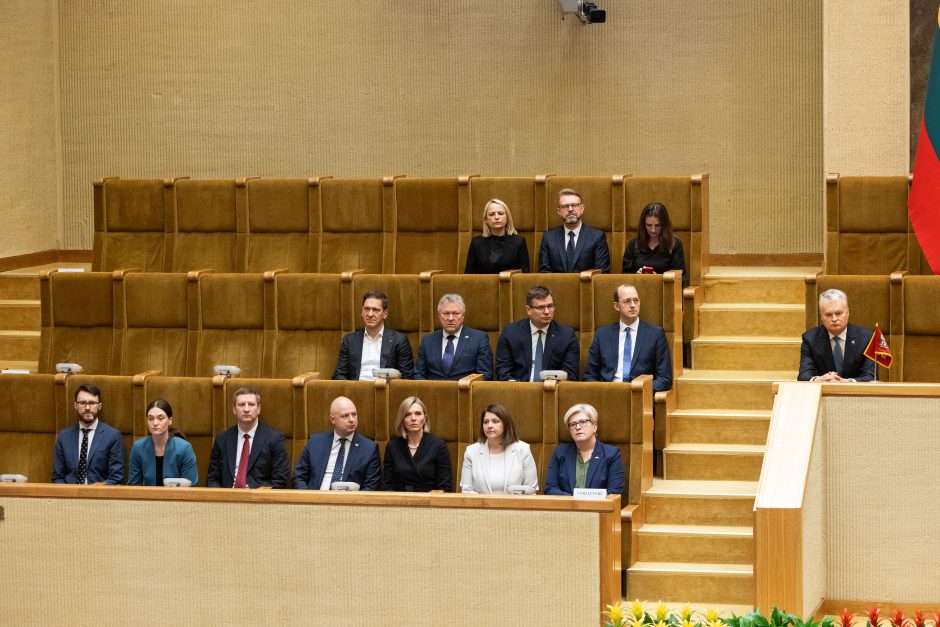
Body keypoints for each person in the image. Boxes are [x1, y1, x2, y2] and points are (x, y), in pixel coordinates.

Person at [584, 284, 672, 391]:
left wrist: (639, 389)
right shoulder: (602, 334)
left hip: (639, 394)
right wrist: (602, 392)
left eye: (636, 300)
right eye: (627, 301)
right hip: (608, 394)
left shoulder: (655, 334)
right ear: (617, 306)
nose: (633, 305)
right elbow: (589, 376)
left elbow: (665, 378)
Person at [206, 386, 291, 488]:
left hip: (259, 499)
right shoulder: (222, 439)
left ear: (259, 409)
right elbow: (212, 478)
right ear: (234, 409)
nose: (246, 409)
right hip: (227, 498)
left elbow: (280, 480)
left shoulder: (274, 438)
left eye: (251, 404)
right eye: (241, 405)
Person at [293, 396, 381, 490]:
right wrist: (308, 499)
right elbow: (299, 476)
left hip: (349, 502)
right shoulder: (315, 441)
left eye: (354, 414)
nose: (352, 419)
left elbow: (371, 486)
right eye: (345, 416)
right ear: (332, 419)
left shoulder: (369, 448)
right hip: (315, 499)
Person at [495, 285, 579, 381]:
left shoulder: (567, 336)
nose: (547, 312)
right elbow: (503, 371)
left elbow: (570, 375)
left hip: (552, 391)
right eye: (541, 307)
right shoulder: (510, 333)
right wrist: (518, 389)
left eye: (550, 306)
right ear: (528, 310)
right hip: (519, 390)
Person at [51, 383, 125, 485]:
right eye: (82, 403)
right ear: (75, 406)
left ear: (99, 406)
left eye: (92, 403)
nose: (87, 407)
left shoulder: (112, 436)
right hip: (69, 496)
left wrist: (94, 491)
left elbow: (116, 478)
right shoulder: (64, 437)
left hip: (98, 496)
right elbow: (57, 477)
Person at [544, 404, 624, 496]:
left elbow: (615, 493)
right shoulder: (559, 453)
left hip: (599, 509)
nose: (578, 427)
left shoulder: (611, 454)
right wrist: (574, 502)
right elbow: (550, 488)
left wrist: (585, 502)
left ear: (594, 426)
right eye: (573, 424)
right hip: (567, 509)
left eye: (583, 422)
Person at [333, 290, 414, 380]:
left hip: (385, 390)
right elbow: (339, 374)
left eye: (375, 310)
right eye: (366, 309)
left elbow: (407, 377)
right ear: (362, 312)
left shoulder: (399, 340)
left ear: (385, 314)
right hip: (355, 390)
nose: (370, 314)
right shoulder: (349, 340)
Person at [798, 289, 876, 382]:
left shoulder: (866, 338)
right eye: (828, 314)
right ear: (821, 316)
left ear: (847, 313)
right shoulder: (810, 339)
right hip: (824, 392)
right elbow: (804, 375)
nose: (834, 319)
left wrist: (847, 382)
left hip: (856, 394)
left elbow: (871, 376)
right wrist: (819, 379)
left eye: (838, 313)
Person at [459, 404, 538, 494]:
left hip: (514, 506)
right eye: (485, 422)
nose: (489, 425)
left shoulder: (523, 450)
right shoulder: (471, 452)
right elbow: (467, 491)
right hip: (481, 507)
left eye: (495, 421)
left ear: (506, 424)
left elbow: (531, 490)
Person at [414, 293, 494, 380]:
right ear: (439, 316)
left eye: (455, 313)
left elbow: (485, 374)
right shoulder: (427, 341)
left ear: (463, 316)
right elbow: (418, 373)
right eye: (446, 313)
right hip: (433, 392)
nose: (450, 318)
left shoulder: (479, 338)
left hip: (465, 391)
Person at [382, 396, 452, 492]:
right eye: (408, 414)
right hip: (399, 502)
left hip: (429, 502)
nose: (413, 418)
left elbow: (445, 487)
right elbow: (388, 485)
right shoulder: (392, 447)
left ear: (425, 418)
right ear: (402, 420)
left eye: (418, 414)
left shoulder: (439, 446)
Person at [538, 188, 611, 273]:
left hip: (586, 285)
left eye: (574, 205)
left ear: (582, 208)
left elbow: (601, 272)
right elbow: (544, 272)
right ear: (559, 211)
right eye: (565, 206)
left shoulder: (597, 237)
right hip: (556, 286)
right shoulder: (549, 238)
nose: (570, 209)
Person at [128, 399, 198, 486]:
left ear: (170, 420)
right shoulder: (138, 447)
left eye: (160, 418)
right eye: (150, 419)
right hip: (147, 498)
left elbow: (191, 485)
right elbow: (134, 486)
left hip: (177, 498)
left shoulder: (184, 448)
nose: (155, 423)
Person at [621, 202, 688, 287]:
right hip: (637, 291)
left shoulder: (674, 244)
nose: (653, 230)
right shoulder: (633, 244)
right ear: (643, 224)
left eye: (657, 225)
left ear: (664, 225)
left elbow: (680, 279)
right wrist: (636, 276)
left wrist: (658, 279)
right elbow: (624, 275)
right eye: (648, 225)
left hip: (664, 294)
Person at [464, 198, 530, 274]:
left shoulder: (519, 241)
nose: (496, 217)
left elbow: (525, 273)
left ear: (507, 217)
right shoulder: (476, 243)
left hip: (510, 285)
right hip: (482, 285)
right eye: (491, 214)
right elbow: (469, 274)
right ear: (486, 220)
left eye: (501, 213)